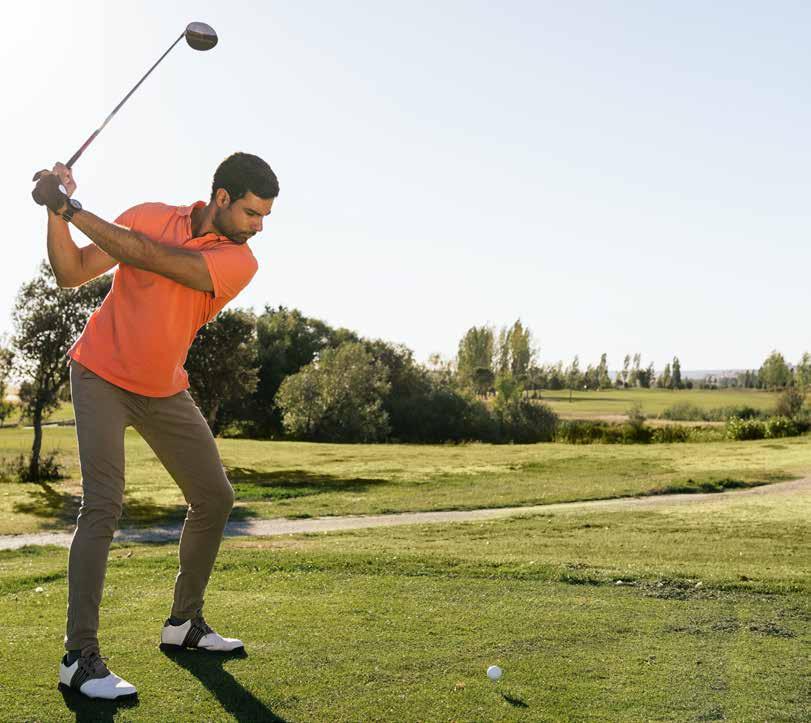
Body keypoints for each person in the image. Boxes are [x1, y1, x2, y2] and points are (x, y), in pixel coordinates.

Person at [32, 152, 279, 700]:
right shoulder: (148, 215)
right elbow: (71, 273)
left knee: (215, 497)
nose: (258, 226)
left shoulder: (239, 261)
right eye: (251, 213)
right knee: (103, 504)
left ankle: (183, 623)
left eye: (264, 216)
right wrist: (54, 210)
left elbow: (148, 256)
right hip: (99, 372)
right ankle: (78, 657)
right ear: (221, 198)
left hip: (163, 387)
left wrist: (70, 207)